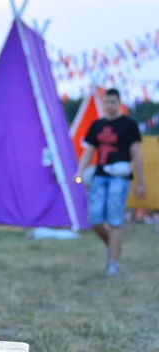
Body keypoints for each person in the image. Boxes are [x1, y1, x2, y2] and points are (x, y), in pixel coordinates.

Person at [75, 88, 145, 277]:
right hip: (100, 176)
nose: (110, 106)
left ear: (119, 103)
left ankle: (113, 263)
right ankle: (115, 247)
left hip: (120, 178)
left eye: (113, 102)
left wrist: (141, 181)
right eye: (107, 102)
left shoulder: (129, 125)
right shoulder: (97, 125)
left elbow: (137, 152)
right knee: (95, 219)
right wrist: (80, 172)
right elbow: (89, 150)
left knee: (115, 220)